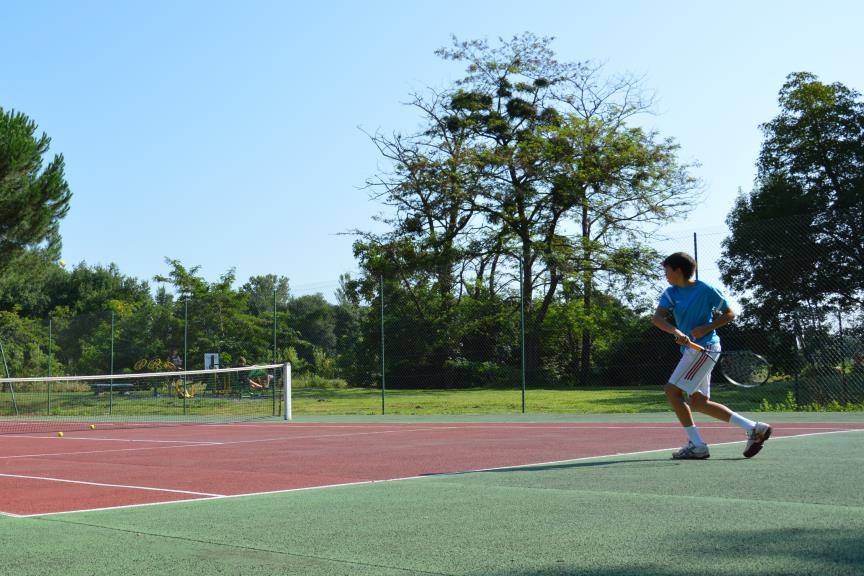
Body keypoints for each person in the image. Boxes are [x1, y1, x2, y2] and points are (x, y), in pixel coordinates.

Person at [651, 252, 772, 459]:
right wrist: (676, 332)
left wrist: (707, 327)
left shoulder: (705, 289)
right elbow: (657, 318)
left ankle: (697, 445)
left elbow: (729, 314)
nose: (665, 275)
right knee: (698, 403)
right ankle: (754, 428)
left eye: (667, 270)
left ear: (678, 270)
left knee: (672, 392)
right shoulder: (671, 293)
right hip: (691, 350)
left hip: (704, 348)